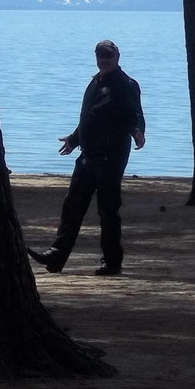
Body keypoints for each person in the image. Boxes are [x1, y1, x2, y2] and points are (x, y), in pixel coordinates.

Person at [27, 39, 146, 276]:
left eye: (108, 55)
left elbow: (134, 113)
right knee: (72, 205)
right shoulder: (94, 82)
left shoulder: (126, 85)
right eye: (100, 55)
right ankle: (57, 255)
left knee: (108, 210)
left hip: (110, 157)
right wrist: (74, 139)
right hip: (88, 156)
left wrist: (137, 131)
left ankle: (111, 262)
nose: (104, 59)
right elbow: (89, 118)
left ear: (117, 57)